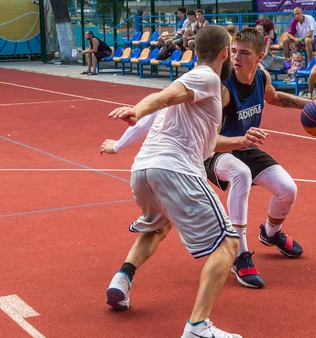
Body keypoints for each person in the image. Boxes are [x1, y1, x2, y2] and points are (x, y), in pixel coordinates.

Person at [103, 25, 242, 338]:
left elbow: (207, 143)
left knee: (158, 225)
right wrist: (136, 109)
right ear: (224, 52)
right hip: (175, 169)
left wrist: (241, 141)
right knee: (228, 243)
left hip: (144, 170)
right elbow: (163, 97)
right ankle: (197, 327)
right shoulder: (205, 77)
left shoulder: (200, 92)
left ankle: (123, 278)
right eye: (230, 50)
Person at [204, 28, 310, 289]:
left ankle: (270, 234)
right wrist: (241, 140)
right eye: (233, 52)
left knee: (287, 189)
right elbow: (208, 141)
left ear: (260, 57)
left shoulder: (262, 76)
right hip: (214, 153)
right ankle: (239, 253)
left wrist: (307, 104)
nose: (236, 58)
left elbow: (273, 97)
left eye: (244, 53)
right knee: (241, 174)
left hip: (244, 147)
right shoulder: (224, 90)